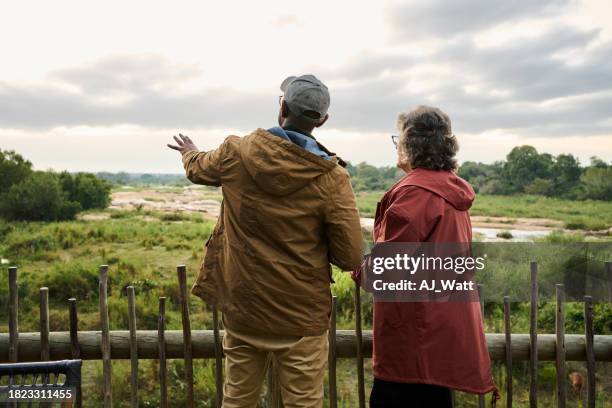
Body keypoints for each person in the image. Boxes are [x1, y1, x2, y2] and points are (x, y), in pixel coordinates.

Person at [167, 75, 363, 408]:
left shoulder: (235, 152)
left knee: (237, 400)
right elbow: (350, 256)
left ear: (282, 107)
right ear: (323, 121)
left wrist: (190, 152)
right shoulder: (332, 177)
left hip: (245, 307)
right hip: (301, 316)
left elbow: (199, 169)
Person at [352, 106, 498, 407]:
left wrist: (354, 265)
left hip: (412, 339)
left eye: (398, 139)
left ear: (411, 144)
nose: (397, 146)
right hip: (441, 334)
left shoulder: (415, 194)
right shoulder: (450, 190)